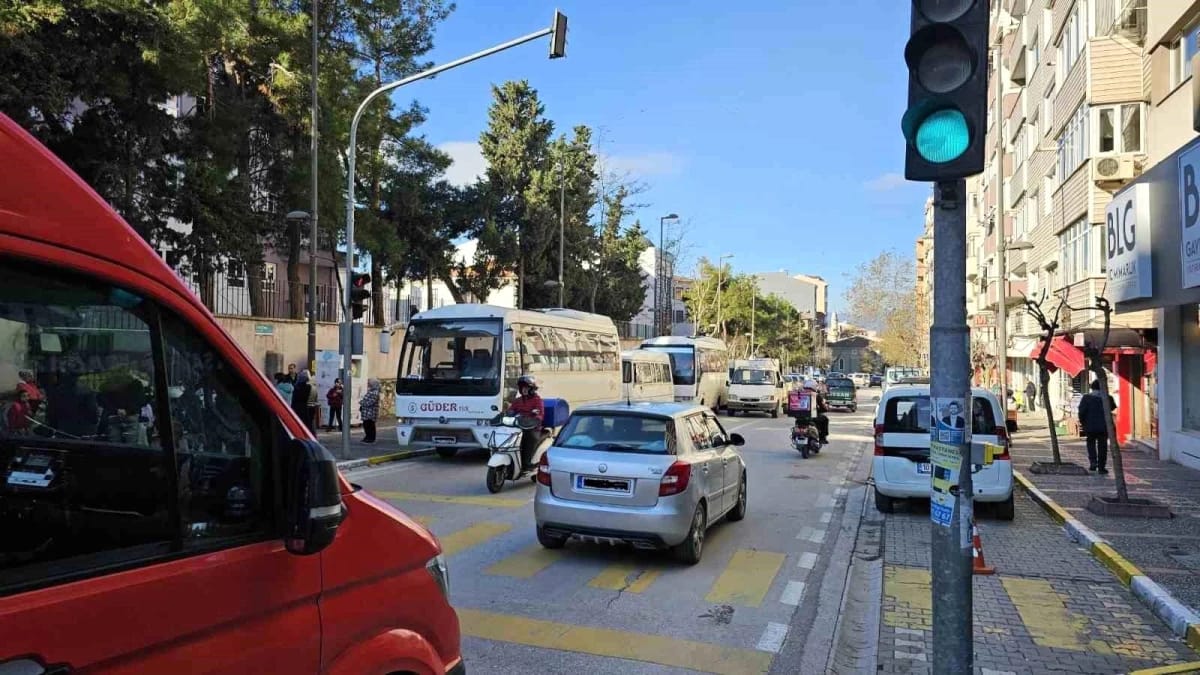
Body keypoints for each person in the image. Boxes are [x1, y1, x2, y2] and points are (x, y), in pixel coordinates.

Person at [1078, 380, 1117, 474]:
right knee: (1102, 446)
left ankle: (1093, 462)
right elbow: (1113, 408)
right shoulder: (1108, 398)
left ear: (1092, 387)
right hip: (1104, 426)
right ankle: (1101, 466)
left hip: (1090, 426)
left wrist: (1083, 423)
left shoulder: (1086, 398)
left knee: (1090, 444)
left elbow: (1081, 412)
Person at [508, 374, 546, 471]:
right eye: (522, 387)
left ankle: (527, 463)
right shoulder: (518, 400)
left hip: (532, 428)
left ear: (532, 388)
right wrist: (507, 414)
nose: (524, 390)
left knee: (529, 438)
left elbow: (540, 415)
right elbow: (511, 410)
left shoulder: (537, 400)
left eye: (526, 387)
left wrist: (535, 419)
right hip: (519, 425)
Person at [790, 379, 829, 444]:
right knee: (825, 419)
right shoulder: (816, 395)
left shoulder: (799, 394)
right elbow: (823, 407)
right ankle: (822, 438)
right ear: (814, 387)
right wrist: (825, 409)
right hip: (812, 418)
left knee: (797, 423)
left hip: (799, 418)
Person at [360, 379, 381, 443]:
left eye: (370, 383)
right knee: (366, 425)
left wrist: (362, 403)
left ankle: (371, 438)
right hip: (367, 412)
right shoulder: (371, 391)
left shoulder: (375, 392)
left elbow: (370, 402)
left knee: (370, 425)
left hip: (371, 412)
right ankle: (367, 437)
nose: (368, 384)